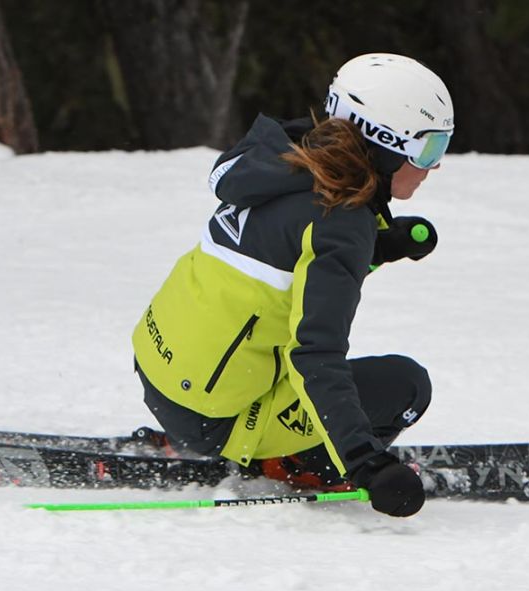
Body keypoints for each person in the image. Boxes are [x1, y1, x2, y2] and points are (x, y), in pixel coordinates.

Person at [131, 53, 454, 518]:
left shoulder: (285, 168)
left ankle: (208, 431)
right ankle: (289, 461)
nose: (434, 166)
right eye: (429, 149)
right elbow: (316, 356)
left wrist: (380, 248)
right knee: (406, 386)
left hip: (163, 376)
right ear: (385, 142)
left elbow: (281, 272)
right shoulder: (339, 222)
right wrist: (367, 464)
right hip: (217, 417)